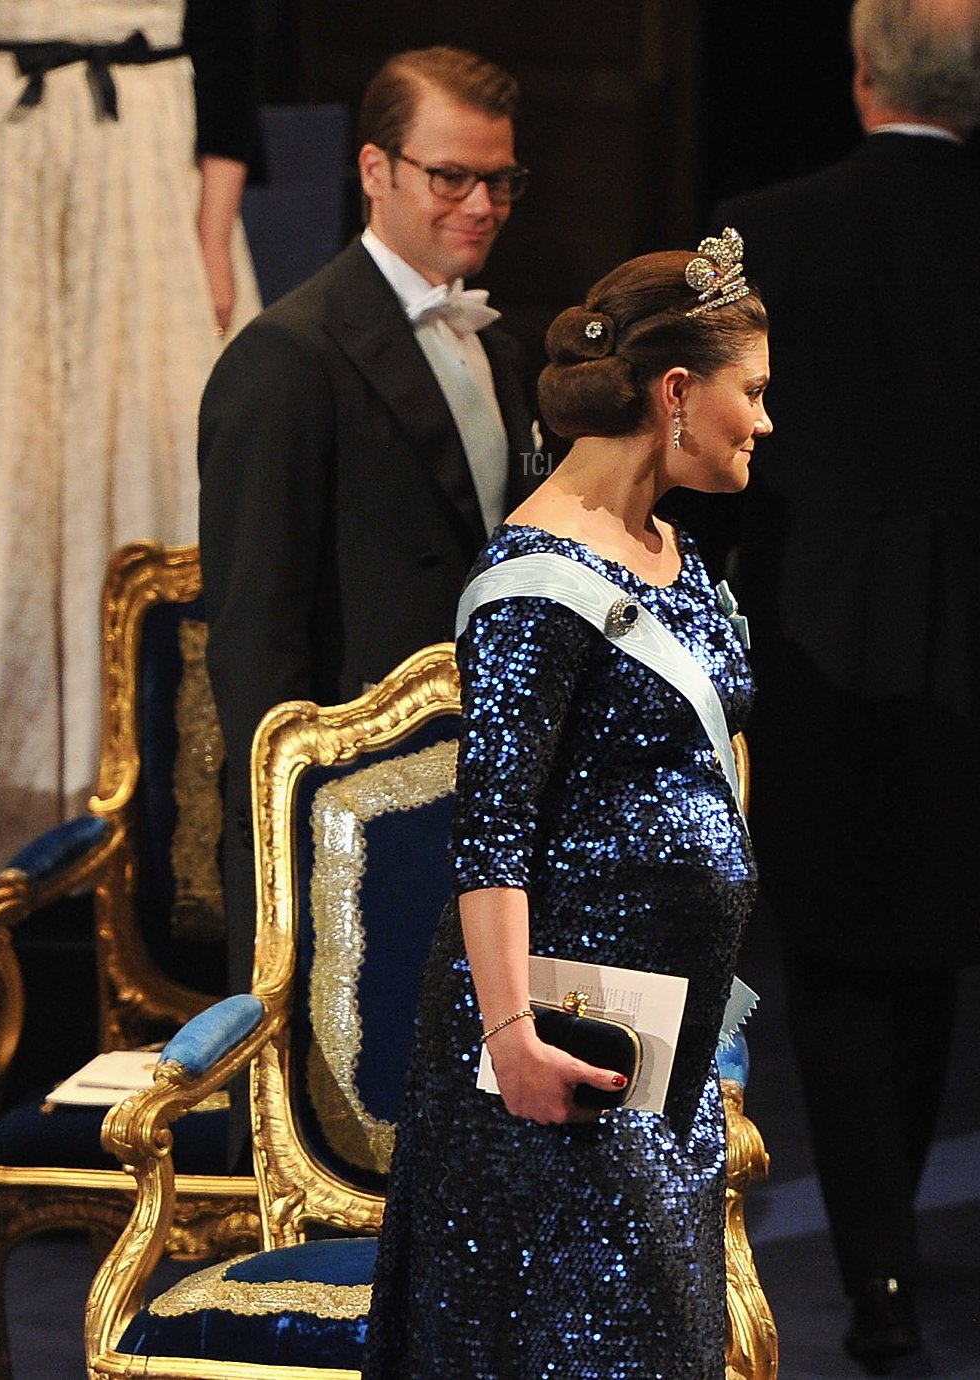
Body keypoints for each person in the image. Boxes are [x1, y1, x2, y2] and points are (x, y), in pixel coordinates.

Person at [361, 239, 772, 1378]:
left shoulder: (672, 551)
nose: (766, 422)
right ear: (678, 394)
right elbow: (488, 834)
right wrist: (515, 1041)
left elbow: (694, 791)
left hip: (662, 1043)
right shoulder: (534, 583)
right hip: (553, 1049)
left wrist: (718, 1015)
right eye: (755, 392)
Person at [710, 0, 980, 1365]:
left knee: (838, 962)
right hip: (967, 664)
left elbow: (704, 450)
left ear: (862, 71)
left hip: (822, 650)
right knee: (932, 950)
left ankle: (875, 1267)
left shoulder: (768, 227)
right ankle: (894, 1249)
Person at [198, 46, 539, 1005]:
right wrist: (292, 843)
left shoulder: (498, 349)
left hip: (475, 811)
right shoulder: (285, 358)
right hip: (342, 834)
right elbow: (255, 645)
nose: (481, 204)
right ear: (374, 171)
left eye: (500, 179)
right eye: (452, 177)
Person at [0, 0, 261, 869]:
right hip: (13, 171)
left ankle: (143, 813)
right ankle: (22, 797)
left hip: (143, 185)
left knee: (148, 464)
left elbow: (229, 68)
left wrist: (212, 244)